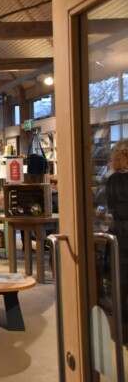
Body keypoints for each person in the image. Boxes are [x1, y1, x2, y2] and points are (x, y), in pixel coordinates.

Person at [105, 139, 128, 345]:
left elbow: (112, 208)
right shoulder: (117, 180)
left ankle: (121, 332)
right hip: (123, 235)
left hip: (119, 236)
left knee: (120, 284)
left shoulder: (112, 180)